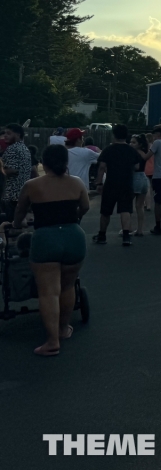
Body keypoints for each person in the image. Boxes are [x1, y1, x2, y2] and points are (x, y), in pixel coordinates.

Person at [0, 144, 89, 356]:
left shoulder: (32, 185)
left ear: (44, 162)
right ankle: (63, 329)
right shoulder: (76, 182)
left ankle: (52, 341)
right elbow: (85, 207)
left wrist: (17, 224)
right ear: (65, 162)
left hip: (46, 238)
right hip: (74, 236)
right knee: (68, 287)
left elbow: (20, 210)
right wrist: (73, 217)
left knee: (49, 292)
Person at [93, 124, 138, 246]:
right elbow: (137, 166)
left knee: (106, 211)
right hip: (126, 183)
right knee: (125, 210)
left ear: (114, 135)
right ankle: (126, 236)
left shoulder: (108, 149)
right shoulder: (131, 150)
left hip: (111, 183)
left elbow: (102, 167)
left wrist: (99, 182)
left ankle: (102, 235)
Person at [1, 123, 31, 221]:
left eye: (9, 133)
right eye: (4, 133)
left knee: (8, 224)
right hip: (21, 192)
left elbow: (12, 170)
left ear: (18, 135)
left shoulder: (12, 149)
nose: (5, 136)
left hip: (11, 194)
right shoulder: (24, 148)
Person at [129, 134, 150, 235]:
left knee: (128, 204)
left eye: (133, 142)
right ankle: (140, 229)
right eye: (131, 142)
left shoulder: (134, 153)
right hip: (144, 178)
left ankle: (127, 227)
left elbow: (136, 166)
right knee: (139, 206)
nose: (131, 144)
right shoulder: (143, 152)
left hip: (135, 177)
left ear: (139, 144)